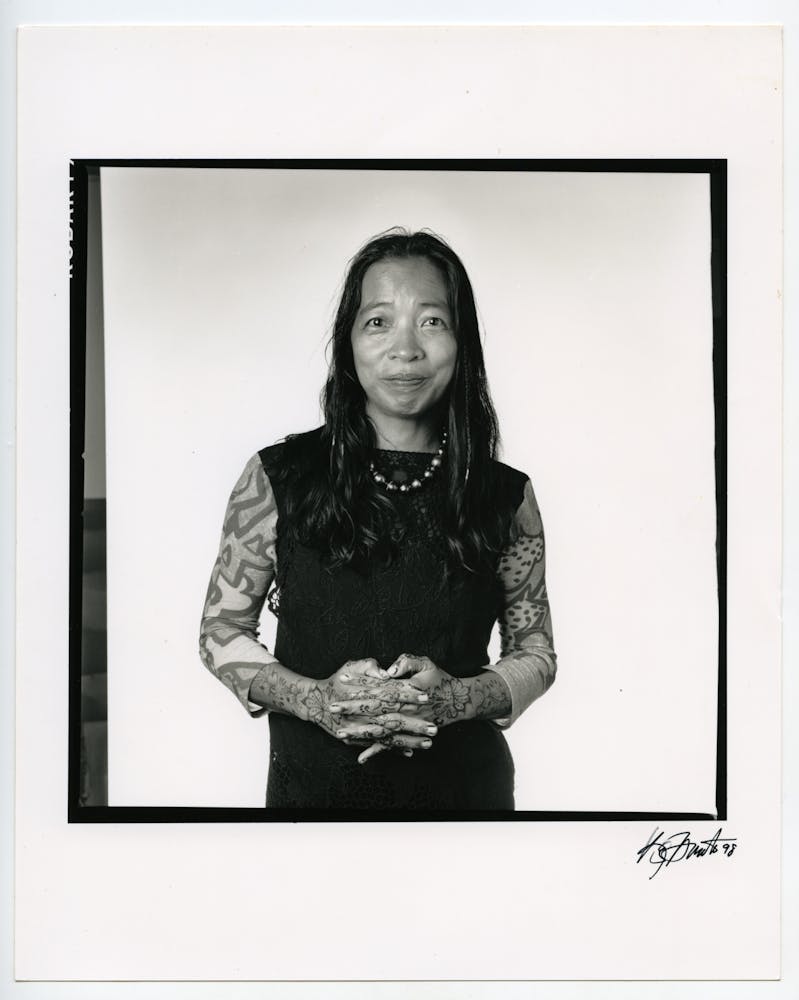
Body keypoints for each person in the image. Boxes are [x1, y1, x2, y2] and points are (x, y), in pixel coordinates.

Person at [199, 229, 556, 810]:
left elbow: (536, 653)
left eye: (433, 321)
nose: (405, 349)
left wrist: (454, 701)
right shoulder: (276, 477)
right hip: (313, 798)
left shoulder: (506, 496)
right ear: (349, 342)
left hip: (466, 802)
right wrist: (318, 700)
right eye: (378, 322)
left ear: (462, 340)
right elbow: (220, 632)